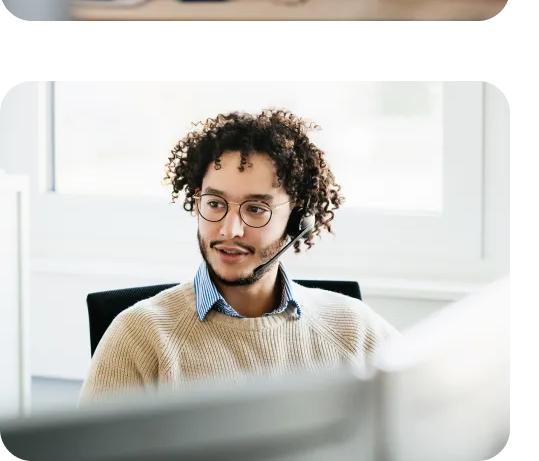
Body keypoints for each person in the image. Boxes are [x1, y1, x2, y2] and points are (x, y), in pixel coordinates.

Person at [79, 108, 398, 405]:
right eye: (215, 203)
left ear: (297, 218)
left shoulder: (354, 329)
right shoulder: (138, 337)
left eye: (256, 209)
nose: (230, 230)